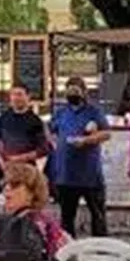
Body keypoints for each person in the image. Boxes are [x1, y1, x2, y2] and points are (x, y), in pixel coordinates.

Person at [0, 81, 48, 246]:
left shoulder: (35, 121)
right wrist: (2, 162)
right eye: (13, 95)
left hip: (25, 170)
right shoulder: (4, 118)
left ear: (28, 97)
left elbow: (43, 149)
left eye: (20, 94)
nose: (16, 98)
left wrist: (19, 159)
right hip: (4, 166)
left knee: (23, 200)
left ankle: (27, 235)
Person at [48, 75, 111, 238]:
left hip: (90, 174)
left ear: (84, 92)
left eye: (75, 91)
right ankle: (68, 247)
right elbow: (50, 131)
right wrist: (55, 143)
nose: (72, 94)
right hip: (66, 174)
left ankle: (101, 247)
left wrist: (86, 140)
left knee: (98, 215)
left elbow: (106, 133)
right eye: (69, 91)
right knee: (67, 217)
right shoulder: (61, 112)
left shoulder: (94, 111)